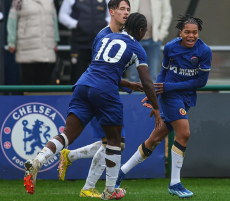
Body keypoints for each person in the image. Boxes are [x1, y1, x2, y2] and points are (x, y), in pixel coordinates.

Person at [23, 12, 163, 200]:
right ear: (141, 30)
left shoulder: (106, 36)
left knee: (67, 135)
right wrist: (156, 107)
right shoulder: (137, 47)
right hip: (104, 90)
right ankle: (110, 191)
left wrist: (128, 84)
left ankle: (38, 160)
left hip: (83, 84)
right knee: (114, 142)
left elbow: (101, 68)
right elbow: (147, 82)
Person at [115, 14, 212, 199]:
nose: (191, 36)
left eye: (195, 33)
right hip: (170, 96)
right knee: (184, 133)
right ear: (180, 32)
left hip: (185, 97)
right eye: (187, 32)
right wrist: (159, 93)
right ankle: (175, 183)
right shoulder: (170, 47)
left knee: (154, 139)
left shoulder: (204, 51)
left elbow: (202, 81)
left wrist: (163, 90)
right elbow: (163, 73)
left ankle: (121, 172)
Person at [57, 0, 133, 198]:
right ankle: (99, 188)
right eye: (122, 9)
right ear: (112, 12)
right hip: (98, 92)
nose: (125, 13)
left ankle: (74, 161)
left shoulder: (117, 36)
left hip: (103, 89)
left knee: (115, 143)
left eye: (128, 10)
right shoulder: (103, 34)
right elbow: (95, 64)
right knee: (113, 143)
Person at [6, 0, 60, 85]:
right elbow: (12, 19)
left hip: (46, 49)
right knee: (27, 82)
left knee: (44, 84)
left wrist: (55, 40)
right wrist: (11, 41)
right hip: (26, 48)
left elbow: (53, 19)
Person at [58, 0, 111, 85]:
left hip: (100, 45)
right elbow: (62, 16)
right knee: (78, 78)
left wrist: (104, 23)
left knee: (100, 79)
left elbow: (113, 15)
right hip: (79, 44)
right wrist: (76, 24)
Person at [127, 0, 172, 83]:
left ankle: (151, 96)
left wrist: (161, 34)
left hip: (154, 39)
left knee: (153, 77)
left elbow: (167, 14)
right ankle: (134, 96)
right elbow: (124, 13)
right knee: (133, 77)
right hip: (134, 39)